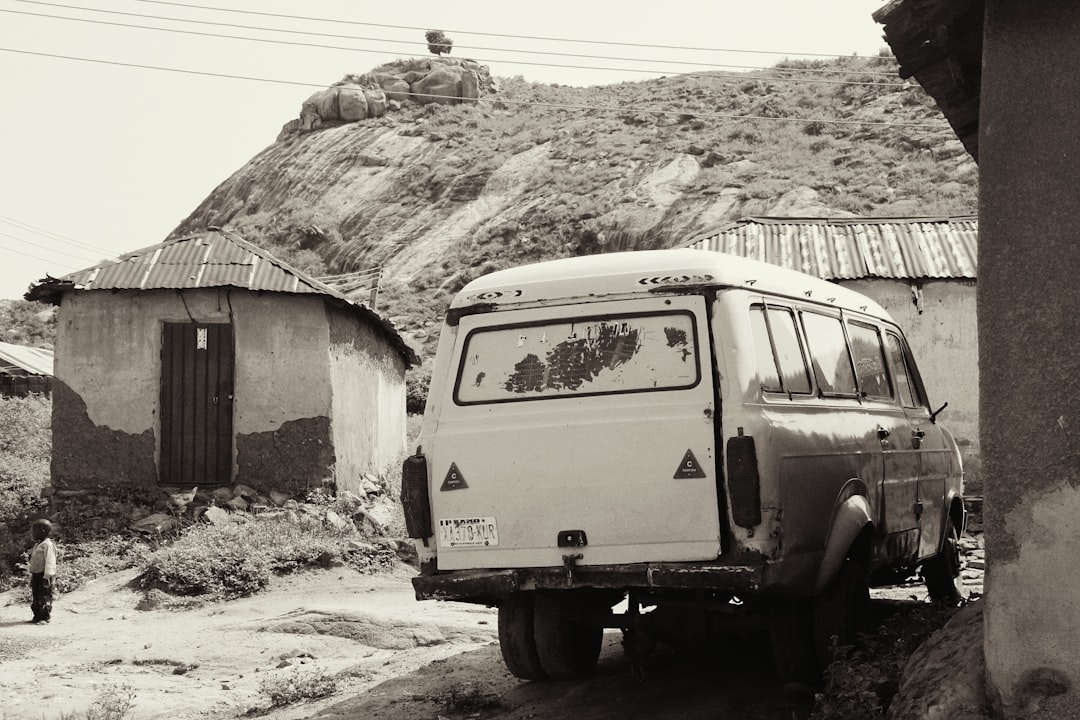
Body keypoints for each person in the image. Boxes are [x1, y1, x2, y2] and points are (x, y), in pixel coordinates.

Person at [27, 518, 57, 624]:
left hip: (44, 575)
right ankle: (37, 615)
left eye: (34, 531)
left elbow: (50, 561)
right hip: (36, 574)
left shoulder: (47, 545)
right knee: (36, 595)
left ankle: (44, 617)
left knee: (44, 595)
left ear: (42, 531)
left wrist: (47, 575)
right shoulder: (38, 544)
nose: (32, 533)